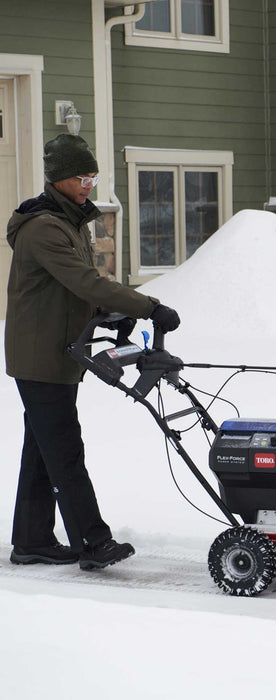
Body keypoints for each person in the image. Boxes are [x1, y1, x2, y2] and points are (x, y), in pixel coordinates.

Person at [5, 133, 180, 570]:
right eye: (82, 177)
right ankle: (94, 541)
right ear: (60, 178)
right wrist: (148, 306)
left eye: (92, 177)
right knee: (63, 447)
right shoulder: (45, 227)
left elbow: (79, 285)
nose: (88, 185)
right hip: (41, 357)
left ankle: (32, 540)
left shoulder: (69, 222)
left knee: (44, 446)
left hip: (57, 352)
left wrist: (110, 313)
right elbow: (85, 281)